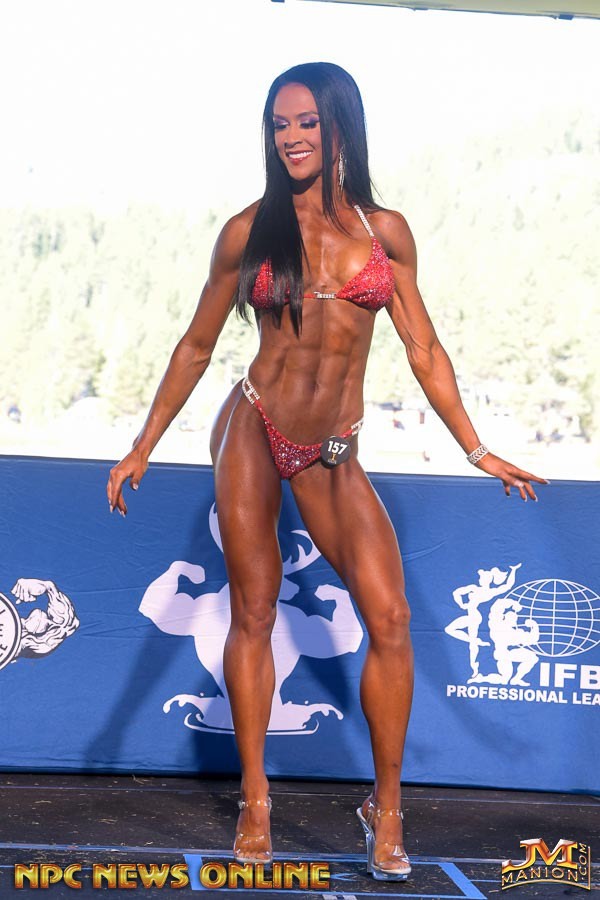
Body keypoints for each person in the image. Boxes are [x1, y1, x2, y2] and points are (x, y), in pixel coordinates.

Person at [106, 62, 548, 881]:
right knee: (254, 610)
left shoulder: (386, 234)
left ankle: (387, 809)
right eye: (279, 125)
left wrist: (477, 449)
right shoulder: (248, 231)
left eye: (306, 121)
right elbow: (197, 345)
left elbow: (423, 350)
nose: (291, 137)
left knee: (391, 618)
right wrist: (142, 444)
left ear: (340, 124)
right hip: (255, 424)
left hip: (334, 447)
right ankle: (256, 800)